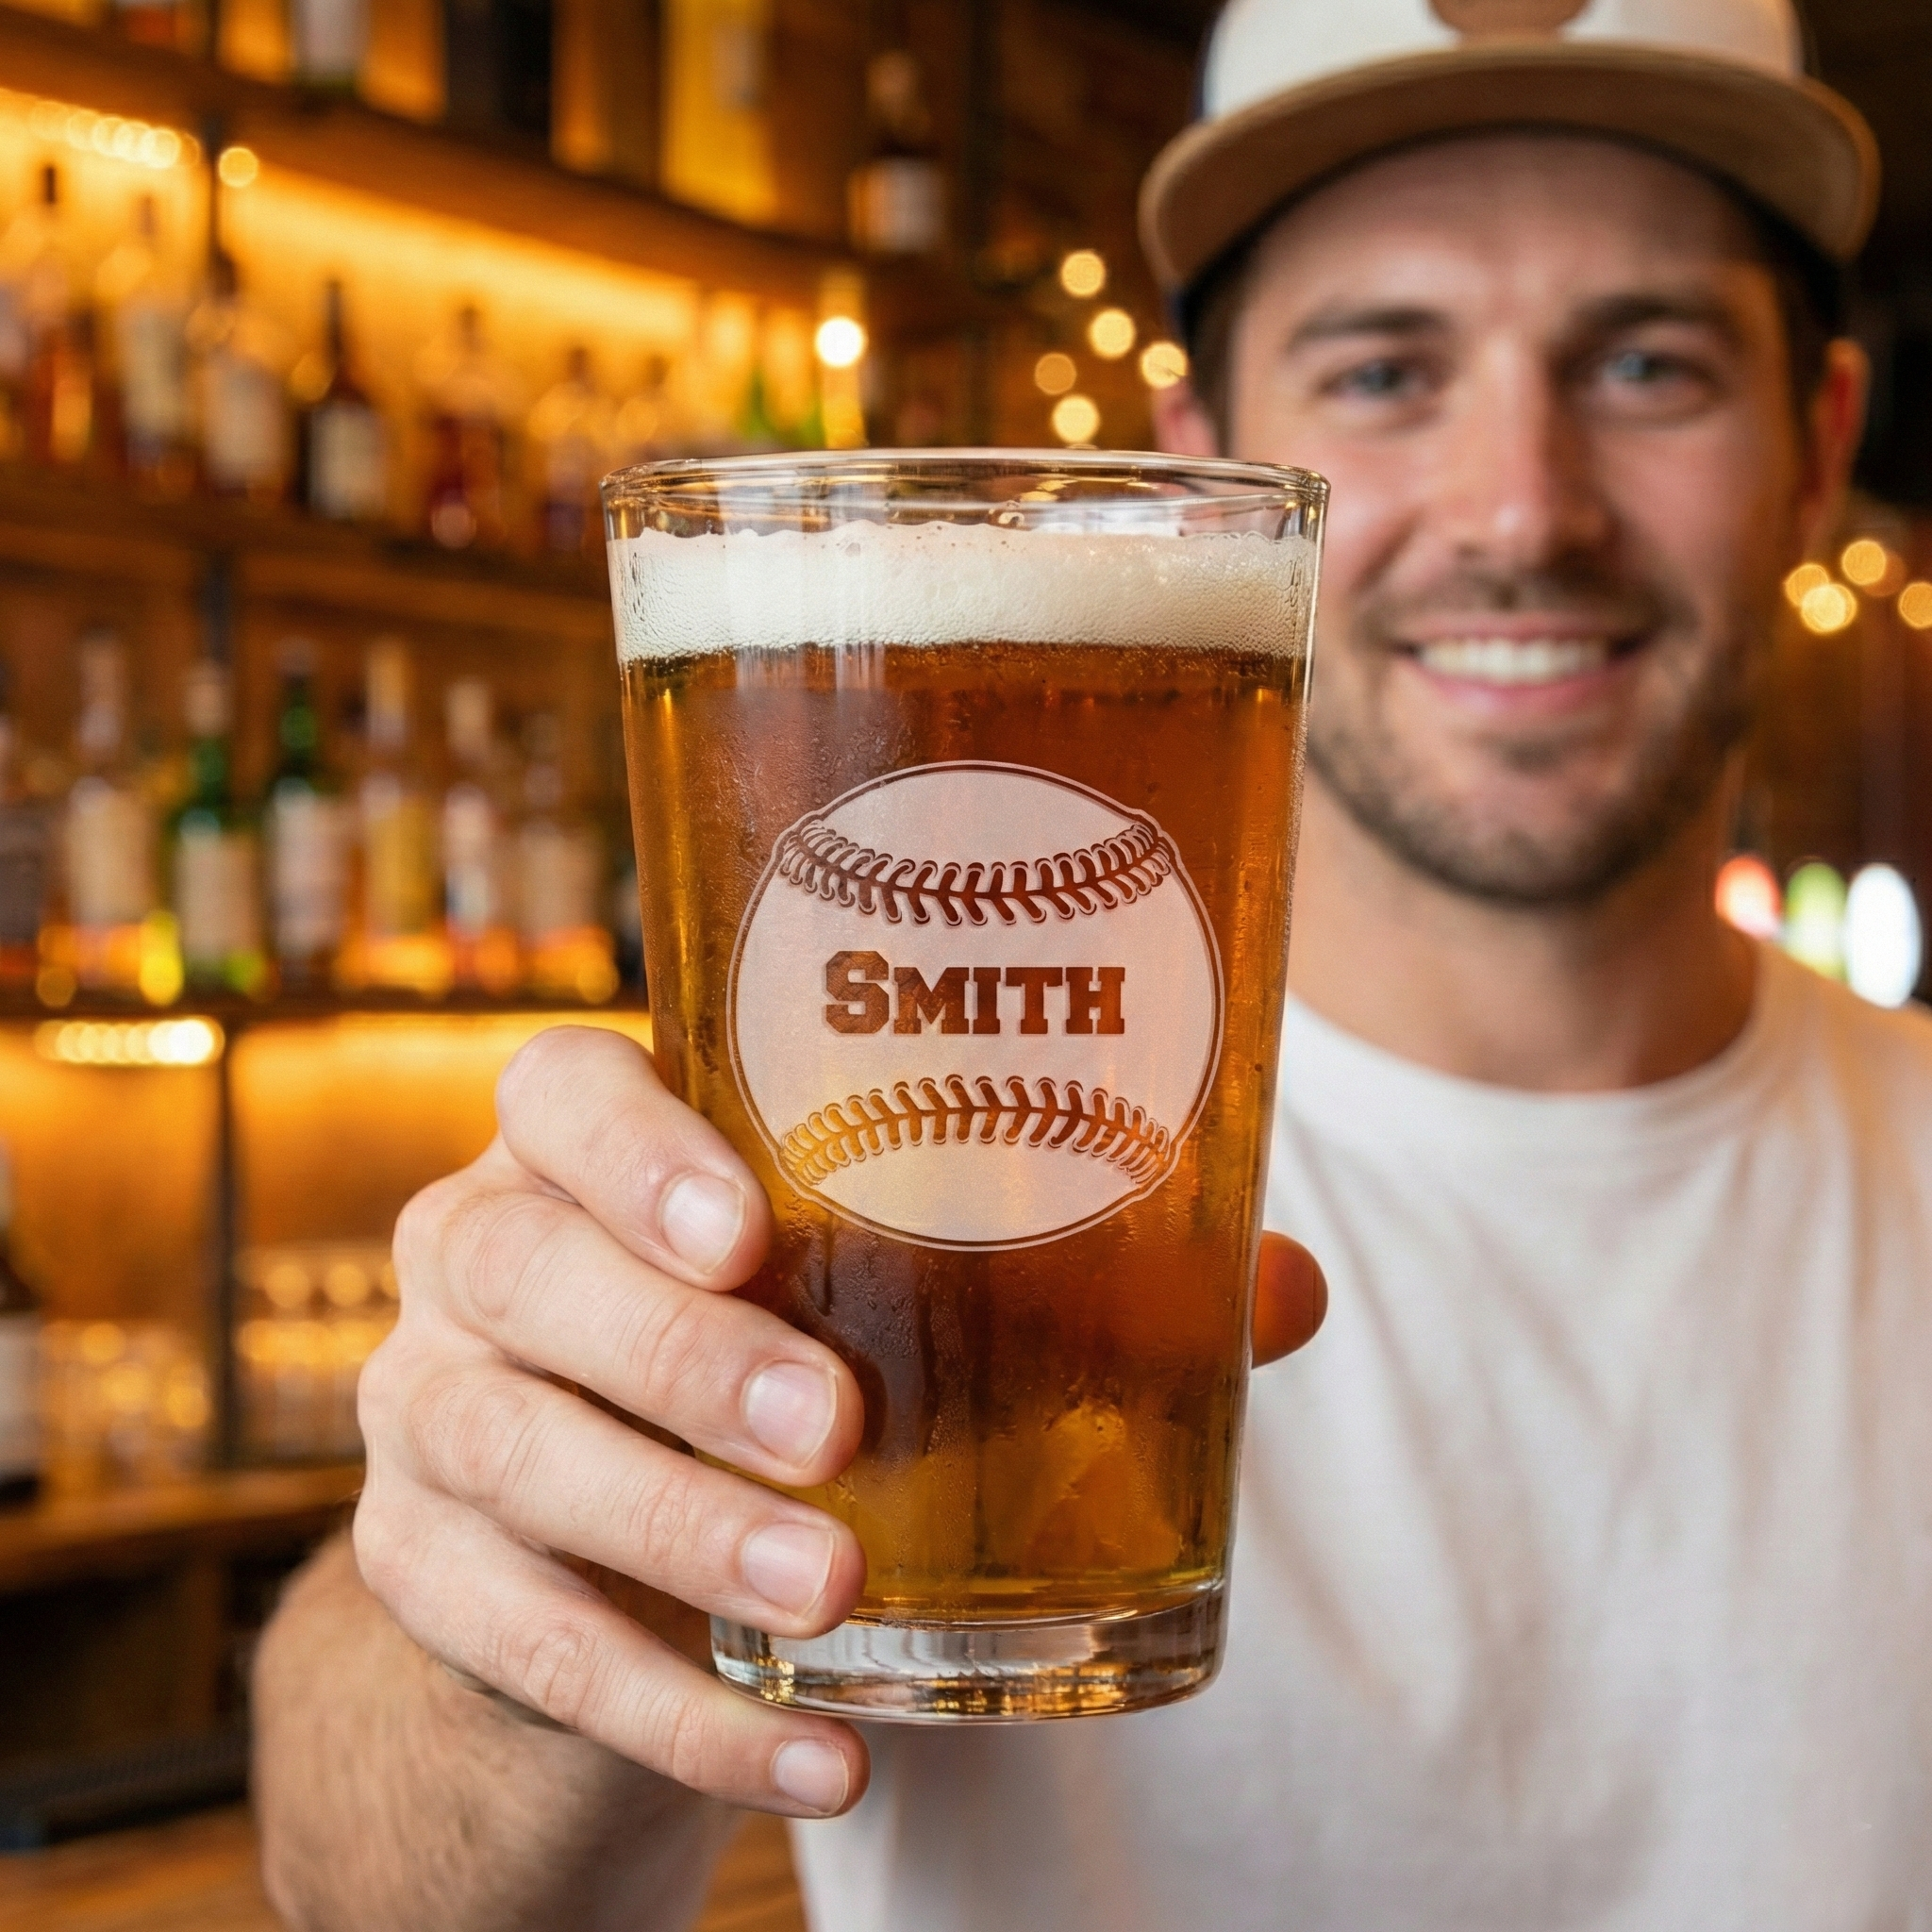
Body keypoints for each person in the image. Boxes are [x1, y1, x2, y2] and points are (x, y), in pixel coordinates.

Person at [254, 0, 1932, 1925]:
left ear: (1818, 454)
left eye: (1646, 362)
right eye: (1384, 370)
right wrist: (521, 1636)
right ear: (1202, 466)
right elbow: (357, 1888)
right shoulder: (874, 1189)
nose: (1516, 509)